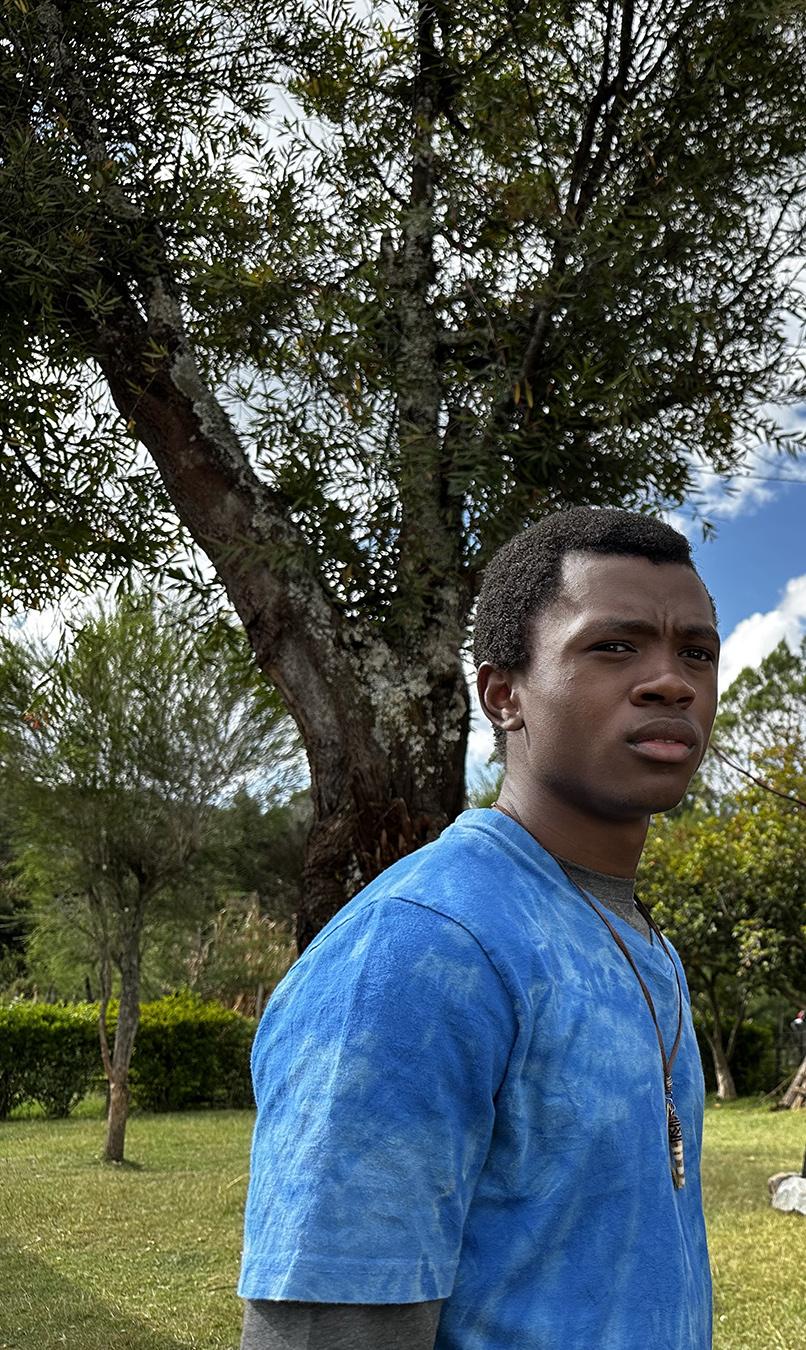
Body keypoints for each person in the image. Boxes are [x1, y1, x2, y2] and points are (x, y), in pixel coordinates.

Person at [238, 507, 719, 1350]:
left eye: (696, 653)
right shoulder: (421, 948)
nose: (670, 681)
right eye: (614, 646)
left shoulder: (641, 940)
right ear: (505, 695)